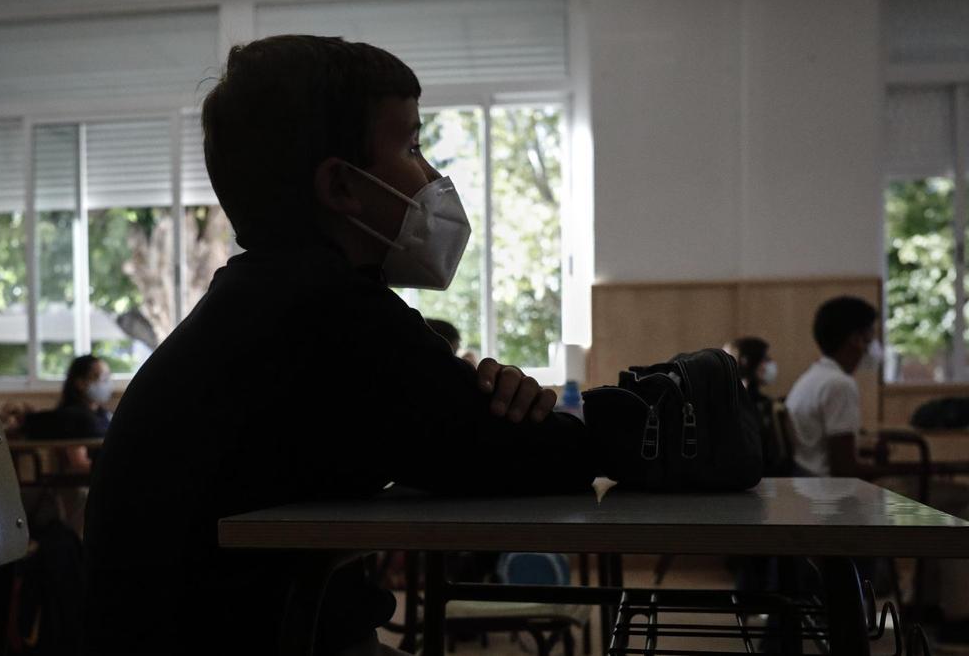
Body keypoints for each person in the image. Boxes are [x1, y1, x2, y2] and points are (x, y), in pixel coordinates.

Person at [83, 35, 598, 656]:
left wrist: (500, 410)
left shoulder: (270, 297)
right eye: (411, 146)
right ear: (342, 188)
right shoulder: (328, 313)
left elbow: (465, 438)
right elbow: (546, 455)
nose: (433, 176)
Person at [784, 296, 882, 478]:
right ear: (856, 339)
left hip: (806, 482)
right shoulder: (839, 385)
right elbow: (844, 470)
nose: (875, 345)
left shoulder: (813, 377)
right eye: (870, 335)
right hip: (828, 494)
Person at [727, 337, 790, 476]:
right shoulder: (762, 407)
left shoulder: (731, 400)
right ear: (748, 362)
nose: (770, 365)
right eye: (766, 359)